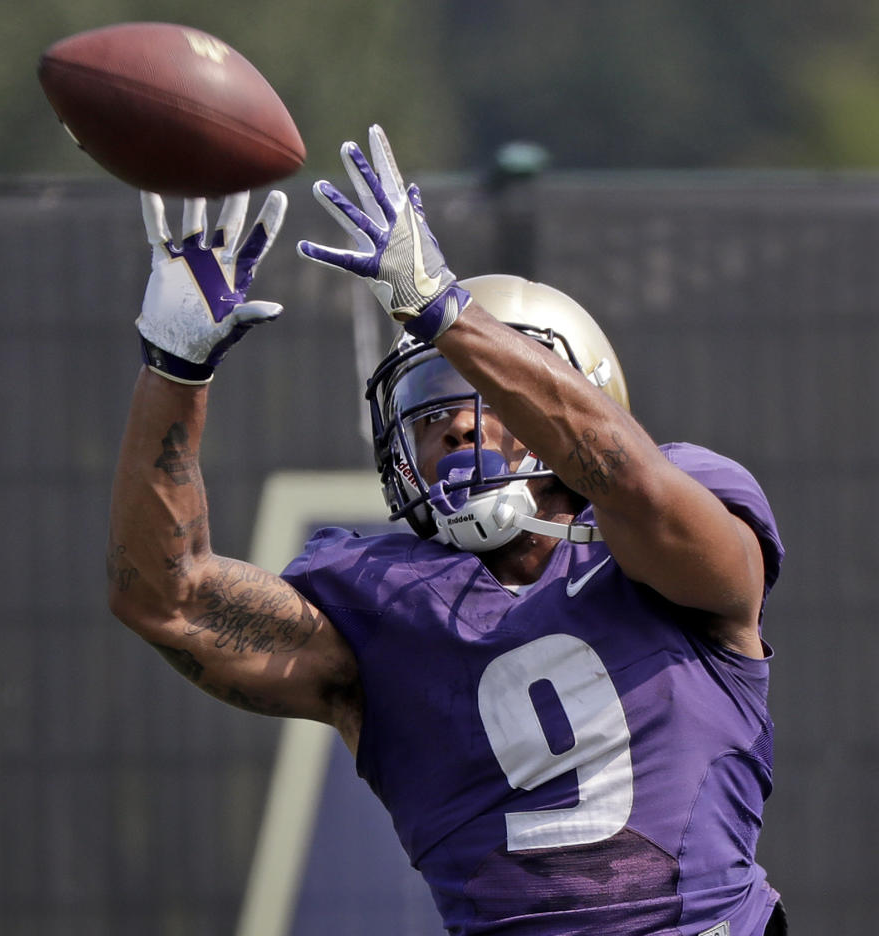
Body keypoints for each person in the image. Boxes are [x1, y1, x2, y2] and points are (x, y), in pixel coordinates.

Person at [107, 125, 787, 936]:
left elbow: (633, 483)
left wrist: (448, 315)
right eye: (428, 412)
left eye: (485, 398)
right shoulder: (381, 605)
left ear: (574, 393)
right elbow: (166, 599)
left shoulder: (675, 521)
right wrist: (173, 371)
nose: (455, 430)